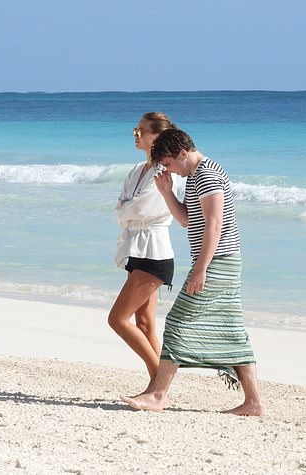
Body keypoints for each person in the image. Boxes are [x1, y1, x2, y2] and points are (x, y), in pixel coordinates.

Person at [122, 128, 265, 416]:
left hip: (217, 263)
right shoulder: (195, 176)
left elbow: (214, 224)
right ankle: (254, 402)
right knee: (231, 328)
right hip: (218, 261)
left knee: (177, 320)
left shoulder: (207, 175)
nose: (171, 171)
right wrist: (164, 192)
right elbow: (188, 220)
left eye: (171, 164)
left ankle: (158, 394)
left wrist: (200, 269)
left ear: (183, 153)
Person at [109, 112, 181, 380]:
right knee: (145, 323)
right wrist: (128, 209)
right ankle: (160, 383)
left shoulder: (165, 171)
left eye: (142, 131)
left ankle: (158, 381)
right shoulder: (137, 171)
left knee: (117, 319)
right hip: (136, 251)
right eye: (135, 129)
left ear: (157, 136)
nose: (136, 135)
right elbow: (123, 209)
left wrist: (128, 209)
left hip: (154, 254)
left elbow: (140, 208)